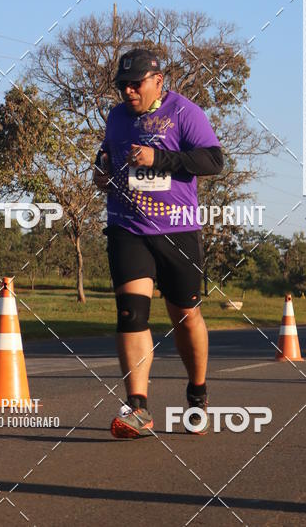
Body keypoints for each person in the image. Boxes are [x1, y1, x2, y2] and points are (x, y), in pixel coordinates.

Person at [93, 48, 223, 437]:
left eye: (135, 84)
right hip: (128, 227)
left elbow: (214, 161)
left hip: (177, 231)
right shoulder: (116, 116)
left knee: (186, 315)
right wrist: (100, 170)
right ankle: (138, 407)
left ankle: (197, 394)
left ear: (158, 81)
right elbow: (107, 153)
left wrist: (159, 158)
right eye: (122, 86)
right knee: (131, 314)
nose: (128, 92)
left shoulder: (184, 112)